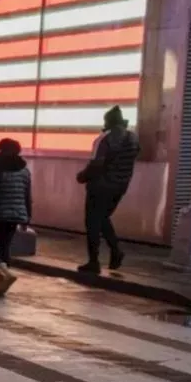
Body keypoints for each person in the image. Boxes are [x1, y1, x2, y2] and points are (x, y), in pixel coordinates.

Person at [76, 105, 139, 274]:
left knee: (92, 222)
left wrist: (82, 176)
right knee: (103, 218)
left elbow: (97, 163)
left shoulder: (104, 138)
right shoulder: (133, 138)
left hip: (100, 186)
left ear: (108, 121)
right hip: (120, 186)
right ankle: (116, 251)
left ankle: (94, 261)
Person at [0, 138, 31, 297]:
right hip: (16, 215)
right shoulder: (24, 170)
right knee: (4, 247)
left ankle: (4, 276)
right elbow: (27, 195)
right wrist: (27, 218)